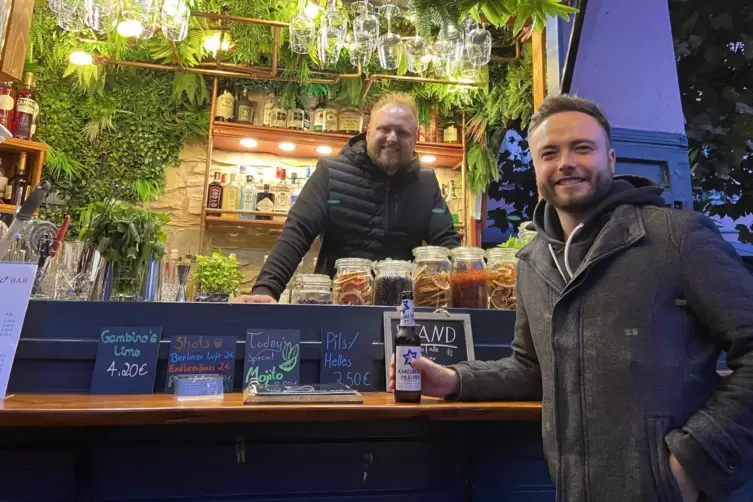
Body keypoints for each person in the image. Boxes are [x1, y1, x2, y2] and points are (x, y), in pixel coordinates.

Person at [390, 94, 753, 501]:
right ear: (536, 168)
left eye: (582, 148)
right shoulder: (533, 261)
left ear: (611, 160)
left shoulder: (676, 237)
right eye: (550, 152)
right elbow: (531, 369)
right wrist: (455, 379)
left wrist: (694, 461)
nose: (565, 162)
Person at [234, 92, 460, 303]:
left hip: (401, 309)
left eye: (402, 132)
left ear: (415, 138)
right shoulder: (331, 173)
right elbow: (297, 233)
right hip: (339, 306)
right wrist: (266, 290)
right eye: (384, 129)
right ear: (368, 130)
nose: (392, 138)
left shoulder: (425, 183)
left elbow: (448, 245)